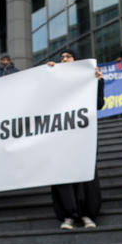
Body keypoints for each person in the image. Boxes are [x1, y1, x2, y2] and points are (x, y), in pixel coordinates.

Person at [47, 49, 103, 229]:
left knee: (86, 172)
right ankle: (68, 215)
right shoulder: (53, 79)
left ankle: (87, 213)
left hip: (82, 134)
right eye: (61, 57)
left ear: (76, 60)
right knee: (62, 174)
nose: (64, 59)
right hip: (60, 135)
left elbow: (99, 104)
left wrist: (97, 81)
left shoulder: (90, 77)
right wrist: (46, 75)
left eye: (68, 56)